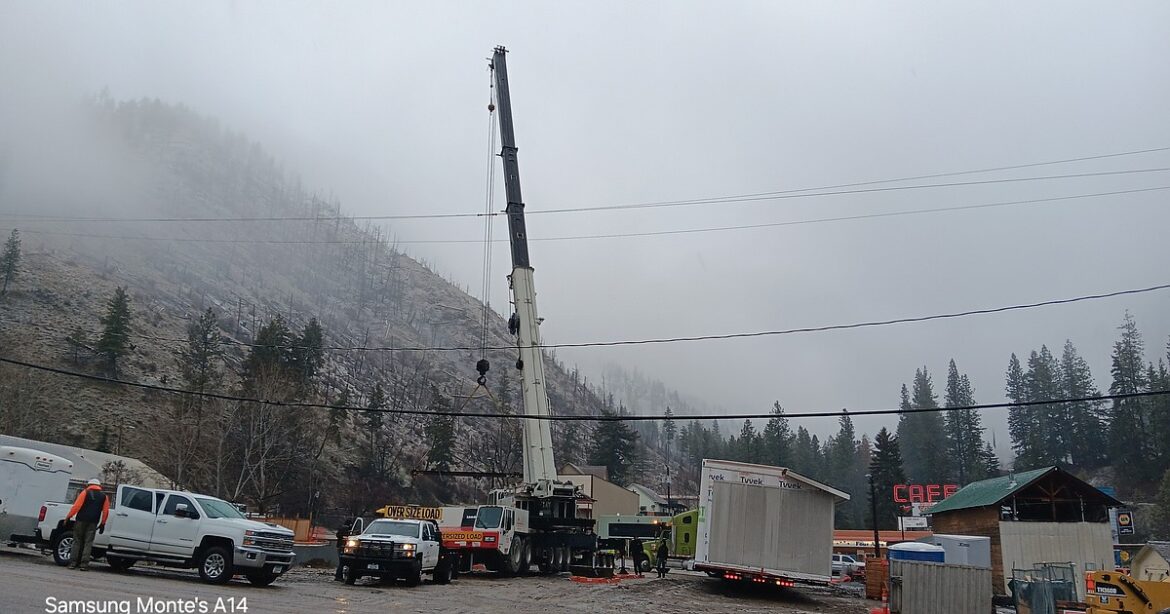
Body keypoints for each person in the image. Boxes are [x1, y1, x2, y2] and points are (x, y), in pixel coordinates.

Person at [64, 478, 110, 570]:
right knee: (88, 543)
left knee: (77, 541)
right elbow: (106, 511)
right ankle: (84, 565)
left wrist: (68, 517)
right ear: (99, 486)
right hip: (93, 522)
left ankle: (73, 563)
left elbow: (76, 506)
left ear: (89, 485)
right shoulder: (104, 496)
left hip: (81, 520)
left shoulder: (85, 493)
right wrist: (103, 523)